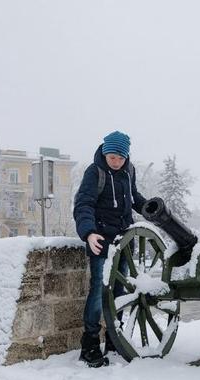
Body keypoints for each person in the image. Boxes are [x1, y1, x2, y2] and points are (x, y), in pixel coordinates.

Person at [73, 130, 147, 368]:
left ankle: (114, 339)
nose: (116, 162)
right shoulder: (95, 173)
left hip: (124, 242)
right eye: (112, 157)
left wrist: (150, 208)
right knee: (98, 294)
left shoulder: (129, 171)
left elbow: (133, 197)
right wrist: (89, 232)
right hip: (101, 242)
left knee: (120, 294)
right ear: (105, 153)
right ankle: (90, 345)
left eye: (120, 158)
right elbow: (83, 204)